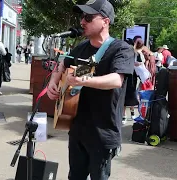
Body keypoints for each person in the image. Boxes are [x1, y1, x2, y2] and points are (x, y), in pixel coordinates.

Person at [46, 0, 135, 179]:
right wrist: (53, 82)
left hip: (103, 132)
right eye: (82, 17)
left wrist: (83, 80)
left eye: (88, 17)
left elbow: (117, 80)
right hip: (77, 128)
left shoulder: (121, 49)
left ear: (105, 21)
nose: (82, 22)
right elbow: (62, 64)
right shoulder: (80, 47)